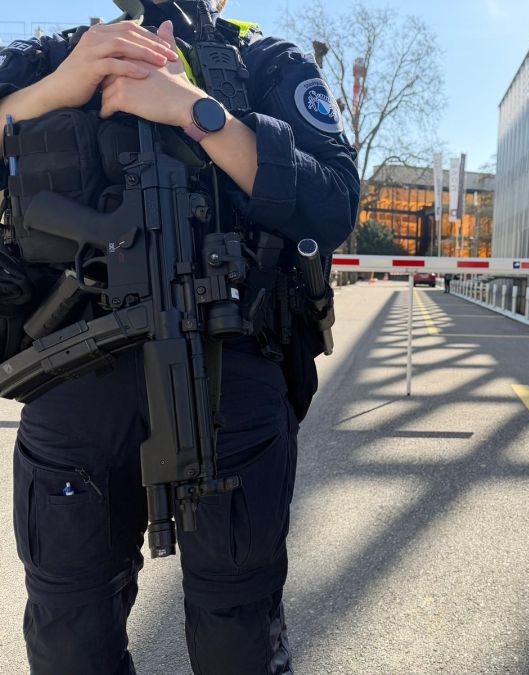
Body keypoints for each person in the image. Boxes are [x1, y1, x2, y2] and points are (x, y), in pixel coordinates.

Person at [0, 1, 359, 673]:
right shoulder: (49, 57)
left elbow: (333, 203)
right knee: (69, 639)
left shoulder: (266, 64)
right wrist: (58, 89)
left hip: (226, 375)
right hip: (73, 378)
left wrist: (195, 110)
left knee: (237, 638)